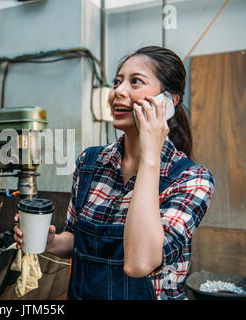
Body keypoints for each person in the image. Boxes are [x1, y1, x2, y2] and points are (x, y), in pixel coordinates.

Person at [13, 46, 214, 300]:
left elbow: (139, 263)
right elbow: (77, 239)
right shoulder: (90, 162)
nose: (118, 91)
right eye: (117, 82)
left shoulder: (191, 179)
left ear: (169, 101)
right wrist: (51, 243)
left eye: (135, 81)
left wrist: (151, 156)